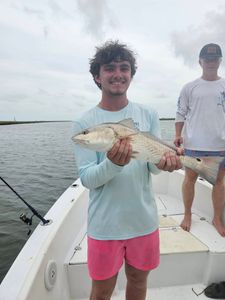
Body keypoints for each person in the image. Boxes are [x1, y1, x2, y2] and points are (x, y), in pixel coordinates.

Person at [73, 40, 182, 300]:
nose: (118, 74)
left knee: (138, 282)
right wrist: (113, 163)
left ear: (131, 75)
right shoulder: (84, 123)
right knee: (101, 292)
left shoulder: (148, 114)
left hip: (143, 221)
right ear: (97, 76)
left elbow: (153, 170)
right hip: (105, 225)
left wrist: (163, 164)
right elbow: (87, 178)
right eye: (109, 68)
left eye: (124, 68)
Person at [174, 43, 225, 237]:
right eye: (207, 58)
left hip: (220, 144)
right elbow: (180, 113)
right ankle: (187, 214)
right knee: (189, 179)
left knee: (219, 183)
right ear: (200, 61)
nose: (211, 62)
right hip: (194, 143)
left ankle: (217, 218)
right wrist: (178, 135)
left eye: (214, 58)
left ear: (220, 61)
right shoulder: (190, 87)